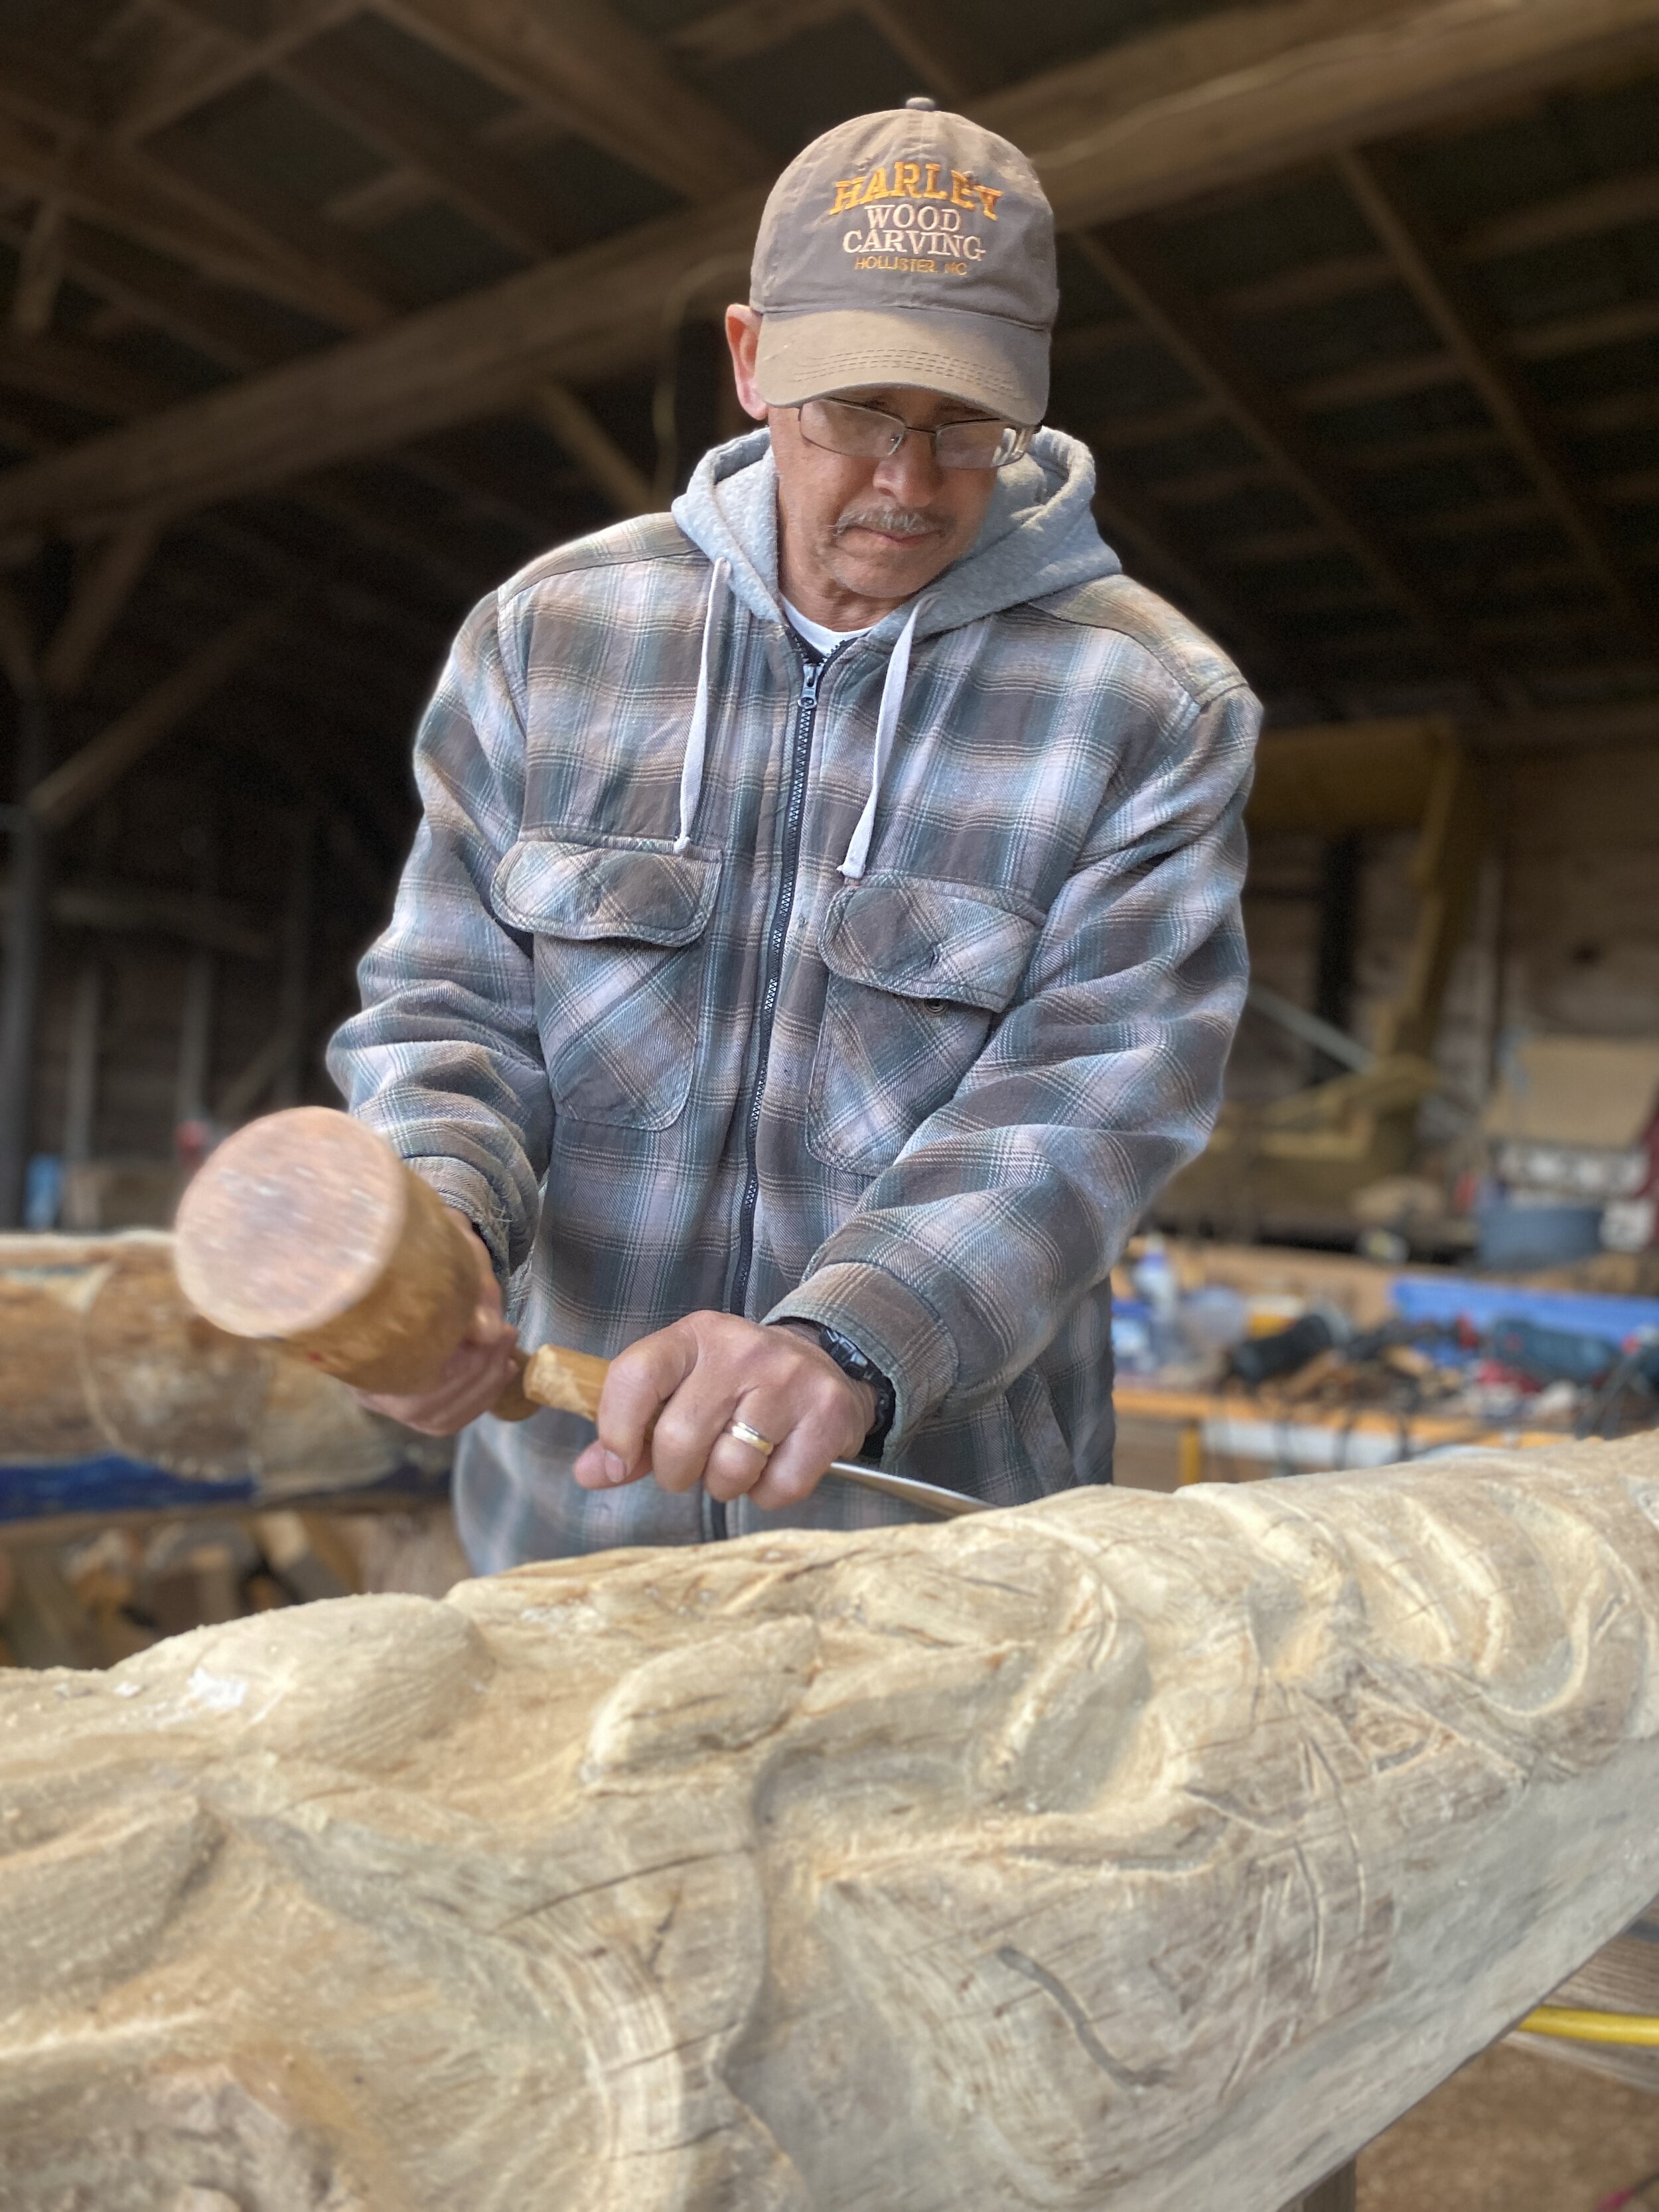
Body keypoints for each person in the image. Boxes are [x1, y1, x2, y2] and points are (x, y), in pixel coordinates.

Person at [327, 100, 1258, 1571]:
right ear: (752, 361)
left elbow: (1091, 1098)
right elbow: (450, 1005)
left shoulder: (1144, 703)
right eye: (857, 413)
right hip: (574, 1525)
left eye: (961, 424)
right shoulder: (547, 639)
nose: (906, 479)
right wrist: (435, 1227)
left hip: (926, 1547)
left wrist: (846, 1337)